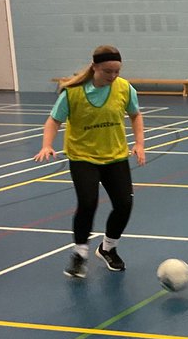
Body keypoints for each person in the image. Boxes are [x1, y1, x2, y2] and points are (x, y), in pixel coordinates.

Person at [34, 45, 145, 279]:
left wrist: (139, 143)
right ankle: (80, 253)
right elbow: (53, 121)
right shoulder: (72, 93)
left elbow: (135, 115)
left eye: (117, 71)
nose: (113, 76)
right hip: (83, 157)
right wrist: (47, 144)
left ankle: (108, 248)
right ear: (94, 67)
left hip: (115, 156)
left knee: (124, 204)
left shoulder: (124, 89)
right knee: (87, 203)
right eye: (107, 71)